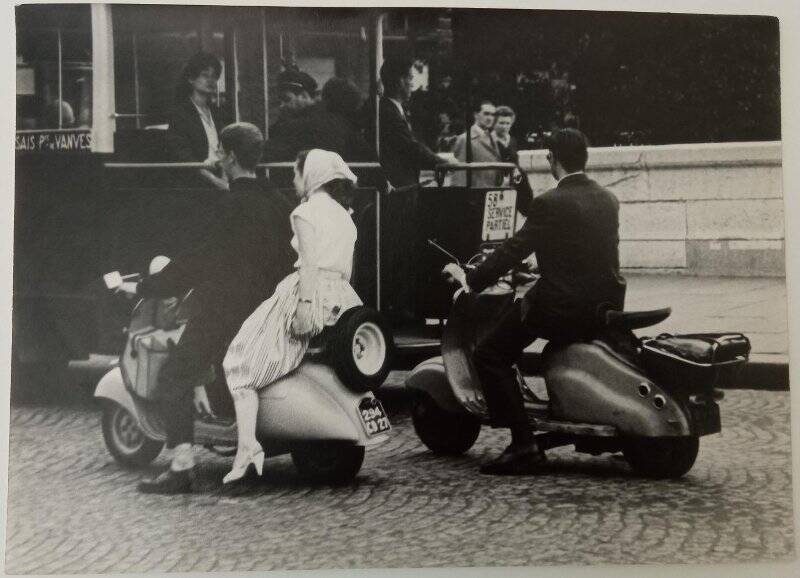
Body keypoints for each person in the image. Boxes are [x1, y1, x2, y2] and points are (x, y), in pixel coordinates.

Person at [443, 129, 626, 475]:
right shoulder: (606, 198)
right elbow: (587, 251)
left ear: (552, 159)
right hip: (605, 304)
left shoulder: (548, 202)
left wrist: (474, 278)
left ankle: (523, 442)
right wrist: (541, 266)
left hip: (562, 307)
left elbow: (514, 247)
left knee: (490, 354)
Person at [134, 123, 295, 494]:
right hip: (270, 309)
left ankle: (181, 465)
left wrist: (151, 286)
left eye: (220, 151)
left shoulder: (228, 206)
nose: (218, 157)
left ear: (231, 157)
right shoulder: (277, 201)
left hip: (228, 309)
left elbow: (197, 261)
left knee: (175, 373)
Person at [222, 149, 363, 483]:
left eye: (296, 173)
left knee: (238, 362)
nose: (294, 180)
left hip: (306, 292)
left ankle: (247, 447)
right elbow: (347, 270)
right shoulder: (345, 215)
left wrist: (303, 306)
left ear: (310, 175)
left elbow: (310, 265)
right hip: (342, 297)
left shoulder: (305, 212)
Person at [378, 58, 449, 322]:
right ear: (399, 81)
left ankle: (402, 305)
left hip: (403, 187)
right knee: (399, 248)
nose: (412, 84)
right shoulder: (387, 110)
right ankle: (399, 308)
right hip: (400, 190)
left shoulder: (393, 109)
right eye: (409, 78)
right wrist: (440, 161)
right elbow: (409, 146)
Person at [166, 52, 228, 190]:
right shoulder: (180, 114)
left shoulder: (217, 112)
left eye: (214, 76)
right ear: (191, 79)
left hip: (220, 178)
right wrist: (215, 181)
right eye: (205, 75)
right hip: (195, 182)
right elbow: (184, 158)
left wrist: (224, 178)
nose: (211, 81)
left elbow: (224, 148)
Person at [452, 99, 503, 188]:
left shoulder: (492, 138)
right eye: (486, 114)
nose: (490, 118)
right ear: (476, 115)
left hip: (491, 193)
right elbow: (460, 176)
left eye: (493, 115)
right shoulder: (465, 139)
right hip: (475, 194)